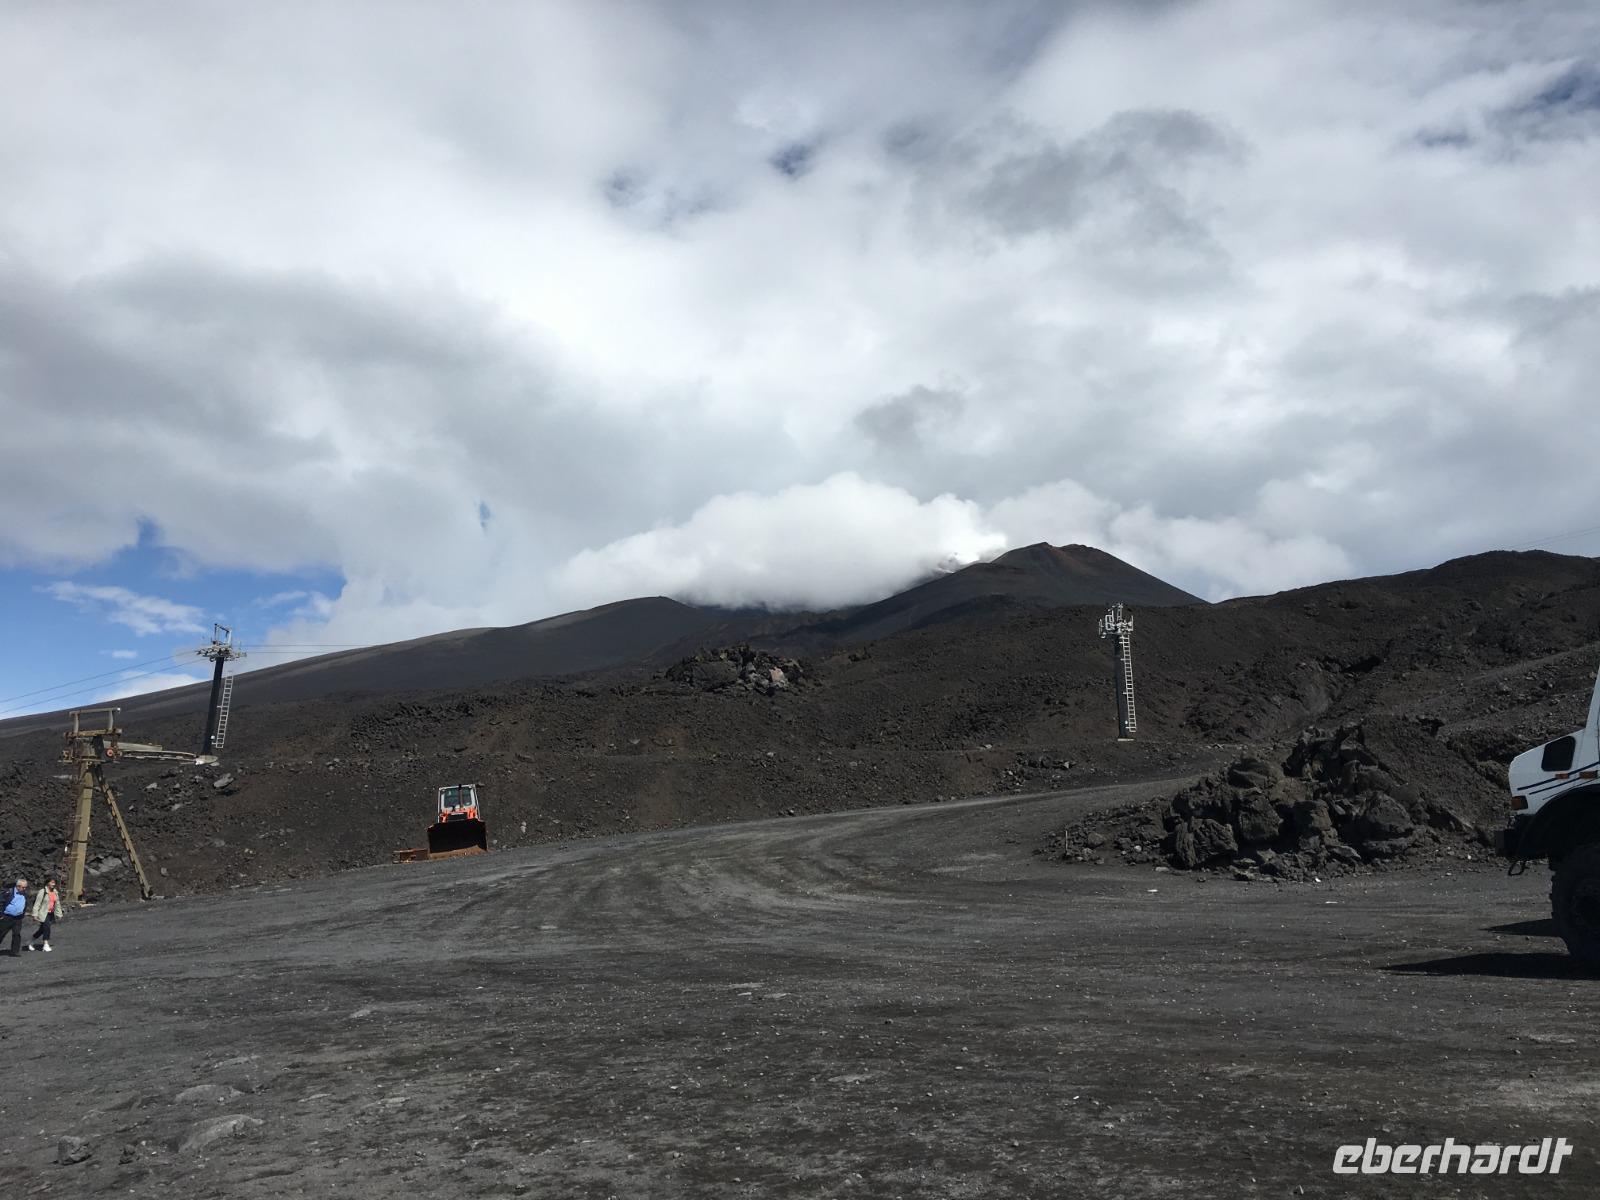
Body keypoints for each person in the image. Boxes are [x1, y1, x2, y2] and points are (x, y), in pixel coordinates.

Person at [27, 877, 62, 952]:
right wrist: (34, 914)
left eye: (54, 882)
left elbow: (57, 904)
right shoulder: (42, 892)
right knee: (47, 927)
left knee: (42, 929)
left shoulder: (55, 892)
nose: (53, 884)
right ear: (47, 883)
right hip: (43, 913)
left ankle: (31, 941)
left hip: (51, 913)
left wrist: (59, 914)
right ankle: (45, 945)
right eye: (52, 882)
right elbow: (37, 903)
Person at [0, 879, 27, 957]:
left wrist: (23, 913)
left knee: (17, 934)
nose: (25, 889)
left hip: (18, 918)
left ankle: (14, 952)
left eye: (25, 887)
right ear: (18, 886)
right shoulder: (9, 893)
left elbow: (25, 903)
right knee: (1, 934)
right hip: (6, 917)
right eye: (23, 887)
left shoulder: (24, 893)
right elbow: (1, 903)